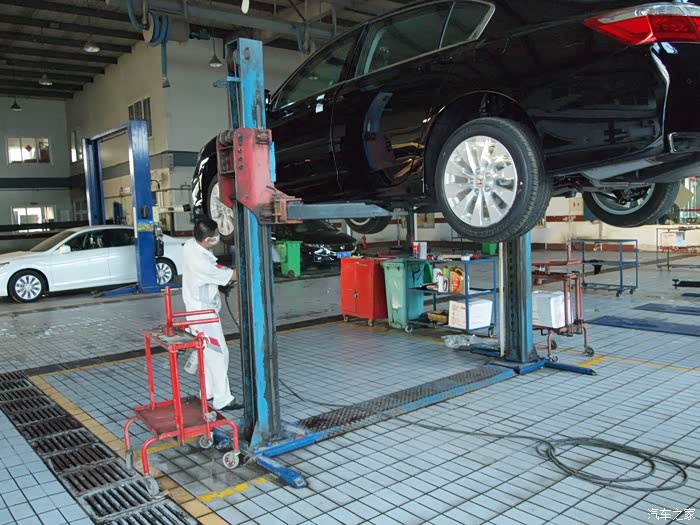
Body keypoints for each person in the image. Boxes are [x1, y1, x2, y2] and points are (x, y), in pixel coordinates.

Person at [182, 218, 243, 411]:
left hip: (195, 312)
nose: (218, 237)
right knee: (218, 355)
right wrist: (252, 259)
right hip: (204, 316)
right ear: (208, 239)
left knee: (207, 353)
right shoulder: (203, 263)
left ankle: (207, 392)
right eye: (216, 235)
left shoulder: (190, 246)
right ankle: (223, 399)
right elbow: (233, 275)